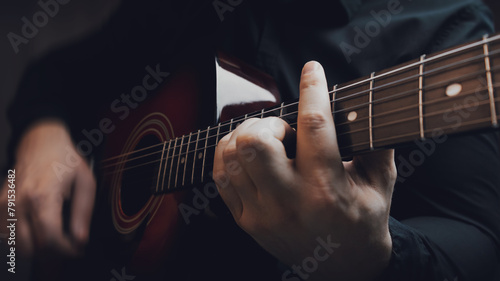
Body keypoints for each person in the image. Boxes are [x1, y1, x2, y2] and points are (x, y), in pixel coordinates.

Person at [2, 0, 499, 280]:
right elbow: (58, 73)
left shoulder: (448, 25)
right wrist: (40, 132)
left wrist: (371, 257)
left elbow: (480, 241)